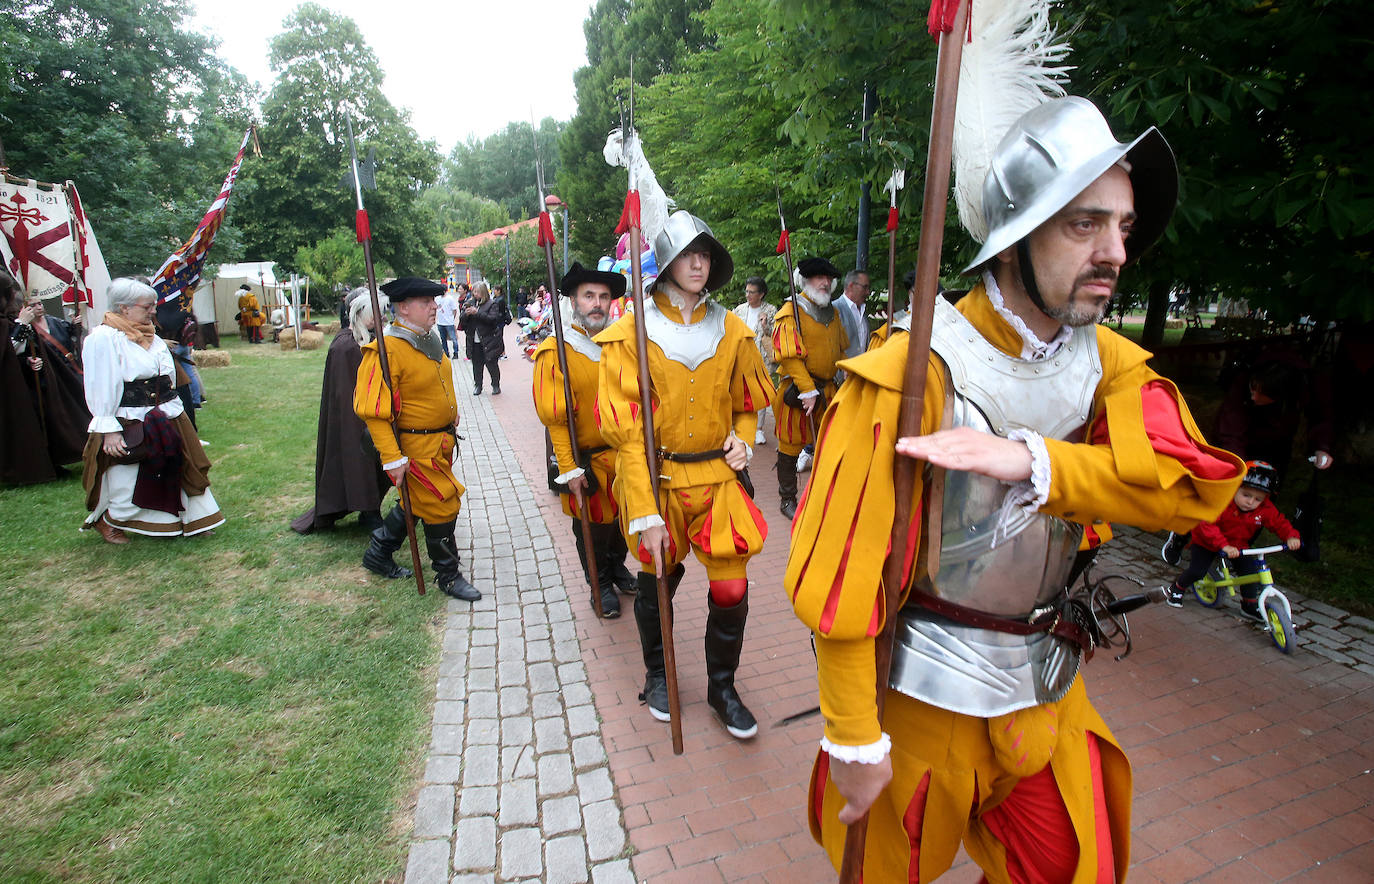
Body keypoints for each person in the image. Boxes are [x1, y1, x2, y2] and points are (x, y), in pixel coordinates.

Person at [786, 96, 1244, 882]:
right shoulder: (912, 372)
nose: (1115, 253)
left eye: (1123, 227)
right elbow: (842, 580)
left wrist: (1038, 463)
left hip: (1046, 686)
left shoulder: (1111, 366)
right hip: (925, 696)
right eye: (1084, 224)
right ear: (1012, 241)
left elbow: (1190, 492)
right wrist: (853, 736)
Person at [596, 210, 774, 740]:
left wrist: (743, 438)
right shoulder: (629, 335)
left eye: (706, 255)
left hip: (718, 481)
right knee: (657, 584)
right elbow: (628, 435)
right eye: (687, 255)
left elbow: (746, 402)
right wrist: (645, 506)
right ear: (666, 263)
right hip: (660, 481)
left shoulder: (735, 329)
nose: (698, 264)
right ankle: (659, 675)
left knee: (731, 590)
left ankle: (723, 688)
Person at [354, 276, 480, 601]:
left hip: (440, 442)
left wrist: (449, 412)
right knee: (441, 502)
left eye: (434, 302)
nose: (434, 307)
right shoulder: (386, 350)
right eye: (426, 303)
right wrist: (392, 459)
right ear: (403, 308)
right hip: (415, 446)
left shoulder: (428, 339)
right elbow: (374, 412)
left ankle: (379, 551)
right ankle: (448, 576)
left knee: (418, 502)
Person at [80, 277, 225, 542]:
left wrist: (177, 413)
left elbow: (165, 376)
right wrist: (109, 429)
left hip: (167, 413)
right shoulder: (102, 338)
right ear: (124, 308)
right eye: (147, 306)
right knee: (128, 474)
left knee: (182, 464)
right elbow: (100, 384)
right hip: (130, 419)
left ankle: (191, 520)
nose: (153, 311)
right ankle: (109, 519)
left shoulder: (149, 334)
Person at [532, 263, 637, 618]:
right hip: (587, 459)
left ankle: (617, 568)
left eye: (604, 297)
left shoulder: (620, 345)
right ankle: (600, 582)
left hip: (624, 455)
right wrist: (569, 467)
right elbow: (556, 420)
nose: (597, 303)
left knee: (624, 521)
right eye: (589, 296)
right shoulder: (556, 351)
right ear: (573, 301)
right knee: (593, 528)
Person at [291, 287, 391, 535]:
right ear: (363, 314)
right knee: (359, 460)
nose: (382, 317)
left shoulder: (365, 339)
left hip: (368, 412)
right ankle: (368, 511)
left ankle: (371, 507)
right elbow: (346, 389)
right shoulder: (346, 346)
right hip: (353, 417)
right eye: (376, 313)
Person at [1164, 461, 1301, 615]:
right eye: (1246, 495)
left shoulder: (1265, 509)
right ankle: (1177, 587)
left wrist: (1291, 536)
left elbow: (1279, 522)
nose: (1250, 502)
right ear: (1235, 488)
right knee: (1197, 571)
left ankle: (1249, 604)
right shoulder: (1222, 502)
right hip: (1207, 542)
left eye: (1258, 499)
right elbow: (1206, 524)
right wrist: (1223, 545)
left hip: (1237, 545)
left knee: (1250, 572)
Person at [771, 257, 849, 520]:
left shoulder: (833, 313)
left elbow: (841, 352)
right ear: (806, 281)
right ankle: (787, 498)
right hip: (798, 390)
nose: (825, 282)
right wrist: (807, 390)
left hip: (827, 390)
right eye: (818, 277)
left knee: (830, 442)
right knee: (790, 446)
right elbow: (789, 356)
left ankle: (822, 494)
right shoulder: (790, 312)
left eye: (828, 278)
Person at [2, 273, 91, 484]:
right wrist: (22, 324)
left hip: (28, 381)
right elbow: (7, 350)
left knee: (45, 419)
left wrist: (29, 362)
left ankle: (50, 461)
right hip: (10, 389)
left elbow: (18, 353)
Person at [731, 275, 777, 446]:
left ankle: (758, 429)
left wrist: (766, 325)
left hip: (761, 357)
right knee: (739, 388)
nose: (748, 295)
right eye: (747, 291)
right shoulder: (740, 310)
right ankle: (737, 425)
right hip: (741, 356)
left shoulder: (771, 310)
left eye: (752, 292)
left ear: (761, 294)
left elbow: (777, 334)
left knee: (761, 390)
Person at [460, 280, 510, 395]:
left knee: (491, 364)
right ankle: (478, 385)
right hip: (474, 340)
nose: (475, 294)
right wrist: (466, 314)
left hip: (489, 340)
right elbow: (462, 321)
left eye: (477, 292)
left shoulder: (492, 304)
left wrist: (477, 313)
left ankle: (495, 385)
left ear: (483, 292)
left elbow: (493, 320)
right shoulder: (470, 302)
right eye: (474, 292)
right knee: (477, 366)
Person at [834, 269, 871, 360]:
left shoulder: (863, 311)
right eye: (864, 287)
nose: (868, 292)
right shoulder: (834, 309)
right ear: (851, 286)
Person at [434, 286, 458, 357]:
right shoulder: (437, 298)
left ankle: (456, 352)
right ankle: (446, 353)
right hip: (440, 322)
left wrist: (452, 319)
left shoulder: (450, 298)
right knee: (443, 339)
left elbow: (454, 310)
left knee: (453, 338)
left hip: (449, 322)